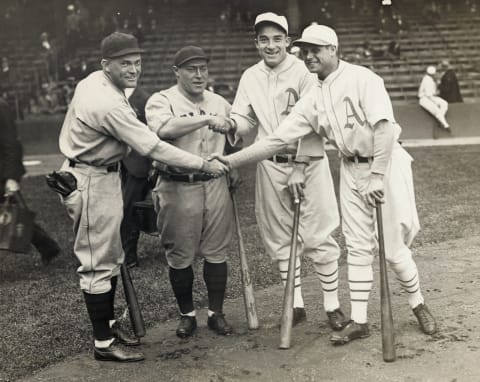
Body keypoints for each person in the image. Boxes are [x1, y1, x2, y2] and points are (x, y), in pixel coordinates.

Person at [211, 24, 437, 345]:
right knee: (357, 246)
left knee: (394, 249)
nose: (309, 55)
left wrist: (376, 176)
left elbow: (385, 128)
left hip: (384, 164)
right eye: (305, 50)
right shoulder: (313, 94)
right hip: (350, 167)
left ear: (333, 49)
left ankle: (418, 304)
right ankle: (359, 321)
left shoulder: (363, 78)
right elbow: (278, 139)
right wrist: (231, 161)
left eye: (316, 49)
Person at [57, 33, 227, 363]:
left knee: (109, 258)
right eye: (125, 63)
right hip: (90, 178)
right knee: (96, 265)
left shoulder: (95, 81)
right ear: (106, 65)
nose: (134, 69)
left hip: (97, 173)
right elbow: (151, 146)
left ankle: (107, 326)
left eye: (137, 62)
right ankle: (104, 343)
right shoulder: (105, 101)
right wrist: (203, 164)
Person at [221, 12, 346, 331]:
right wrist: (231, 124)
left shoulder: (306, 71)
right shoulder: (250, 76)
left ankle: (332, 305)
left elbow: (314, 126)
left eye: (277, 38)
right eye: (264, 39)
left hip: (308, 164)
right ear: (256, 43)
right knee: (279, 239)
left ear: (288, 41)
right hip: (271, 167)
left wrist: (300, 167)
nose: (271, 45)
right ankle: (296, 304)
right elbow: (247, 120)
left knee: (319, 234)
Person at [145, 46, 237, 339]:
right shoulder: (162, 100)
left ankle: (215, 313)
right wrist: (206, 119)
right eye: (191, 69)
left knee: (216, 251)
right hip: (177, 183)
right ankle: (187, 315)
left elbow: (233, 138)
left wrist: (232, 164)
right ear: (177, 72)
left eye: (203, 69)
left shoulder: (220, 101)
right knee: (180, 254)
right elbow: (165, 130)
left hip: (214, 185)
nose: (199, 75)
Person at [0, 98, 60, 265]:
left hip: (2, 172)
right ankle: (47, 246)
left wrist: (11, 177)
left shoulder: (1, 106)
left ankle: (47, 245)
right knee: (12, 213)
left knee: (11, 213)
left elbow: (11, 144)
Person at [121, 86, 152, 268]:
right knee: (119, 208)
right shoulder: (110, 95)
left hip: (138, 163)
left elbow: (152, 133)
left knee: (130, 209)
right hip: (117, 161)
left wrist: (150, 165)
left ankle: (129, 255)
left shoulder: (144, 98)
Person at [418, 65, 450, 130]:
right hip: (424, 99)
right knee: (436, 110)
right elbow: (429, 95)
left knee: (444, 103)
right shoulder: (427, 80)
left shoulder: (431, 79)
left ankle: (439, 119)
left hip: (431, 97)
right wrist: (435, 102)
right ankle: (445, 125)